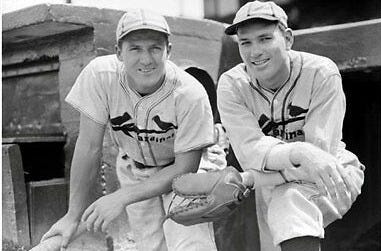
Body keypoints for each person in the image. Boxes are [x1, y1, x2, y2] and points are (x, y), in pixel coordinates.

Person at [41, 9, 218, 251]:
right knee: (151, 246)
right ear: (118, 52)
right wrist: (73, 215)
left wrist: (121, 197)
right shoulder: (100, 75)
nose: (146, 59)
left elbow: (185, 168)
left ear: (169, 50)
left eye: (155, 48)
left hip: (184, 173)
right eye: (135, 48)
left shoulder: (190, 93)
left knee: (190, 242)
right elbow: (89, 147)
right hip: (135, 168)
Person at [217, 1, 365, 251]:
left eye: (265, 38)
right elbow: (250, 153)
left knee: (290, 205)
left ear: (287, 38)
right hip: (268, 180)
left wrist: (252, 178)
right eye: (246, 42)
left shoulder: (321, 73)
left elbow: (320, 158)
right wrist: (298, 153)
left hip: (332, 174)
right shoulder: (232, 85)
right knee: (275, 236)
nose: (255, 52)